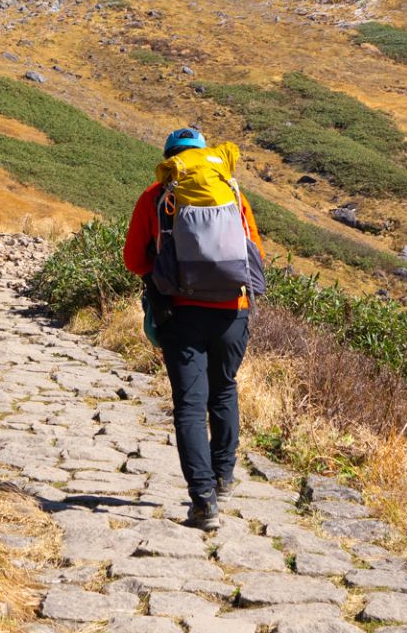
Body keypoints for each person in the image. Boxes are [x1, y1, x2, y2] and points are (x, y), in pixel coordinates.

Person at [121, 127, 265, 529]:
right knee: (224, 391)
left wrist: (168, 269)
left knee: (188, 405)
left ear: (170, 160)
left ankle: (203, 503)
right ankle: (223, 477)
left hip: (180, 314)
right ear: (204, 157)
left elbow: (134, 260)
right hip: (232, 311)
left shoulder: (155, 197)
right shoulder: (232, 194)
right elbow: (254, 251)